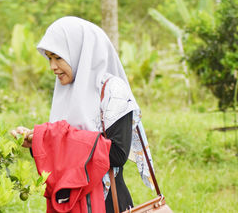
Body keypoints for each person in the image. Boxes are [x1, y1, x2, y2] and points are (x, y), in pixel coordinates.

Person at [11, 16, 155, 212]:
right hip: (69, 201)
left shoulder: (112, 90)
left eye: (58, 57)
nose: (52, 66)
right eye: (50, 58)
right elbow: (63, 151)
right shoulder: (67, 90)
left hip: (106, 203)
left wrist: (52, 137)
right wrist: (37, 140)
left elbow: (118, 153)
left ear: (80, 52)